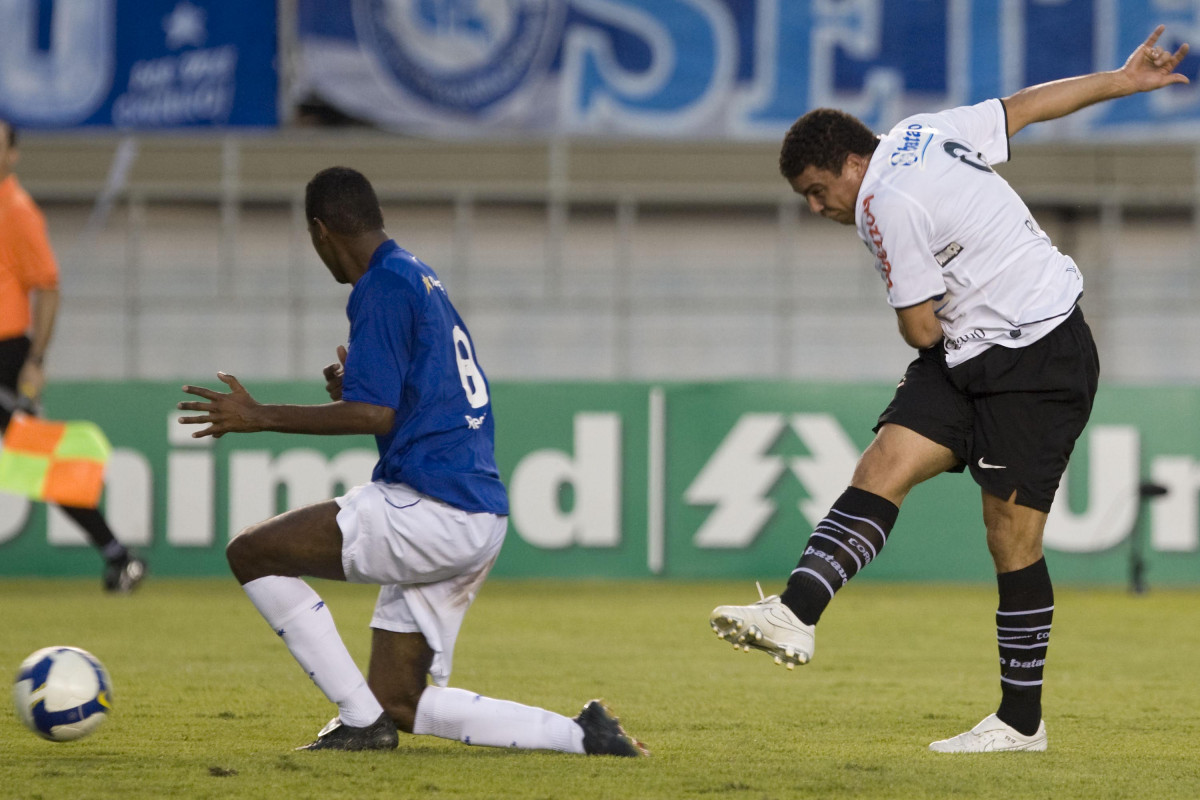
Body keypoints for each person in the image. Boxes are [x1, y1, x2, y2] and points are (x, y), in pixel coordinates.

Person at [709, 26, 1190, 753]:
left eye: (816, 192)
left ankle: (1021, 724)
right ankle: (796, 613)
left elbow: (918, 329)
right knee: (882, 467)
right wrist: (1120, 82)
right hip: (977, 347)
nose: (816, 209)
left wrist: (937, 319)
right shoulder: (921, 132)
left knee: (1011, 537)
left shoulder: (882, 204)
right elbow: (1020, 108)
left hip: (1038, 357)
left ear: (847, 165)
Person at [177, 166, 646, 755]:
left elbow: (372, 415)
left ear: (321, 232)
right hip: (476, 515)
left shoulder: (380, 286)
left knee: (253, 552)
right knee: (398, 699)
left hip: (433, 506)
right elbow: (400, 403)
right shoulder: (415, 274)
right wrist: (360, 390)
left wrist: (258, 415)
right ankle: (583, 736)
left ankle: (355, 720)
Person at [0, 118, 146, 593]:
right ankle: (117, 554)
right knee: (38, 462)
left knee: (41, 462)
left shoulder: (17, 210)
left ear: (12, 155)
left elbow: (48, 288)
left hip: (7, 353)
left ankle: (118, 555)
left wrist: (35, 362)